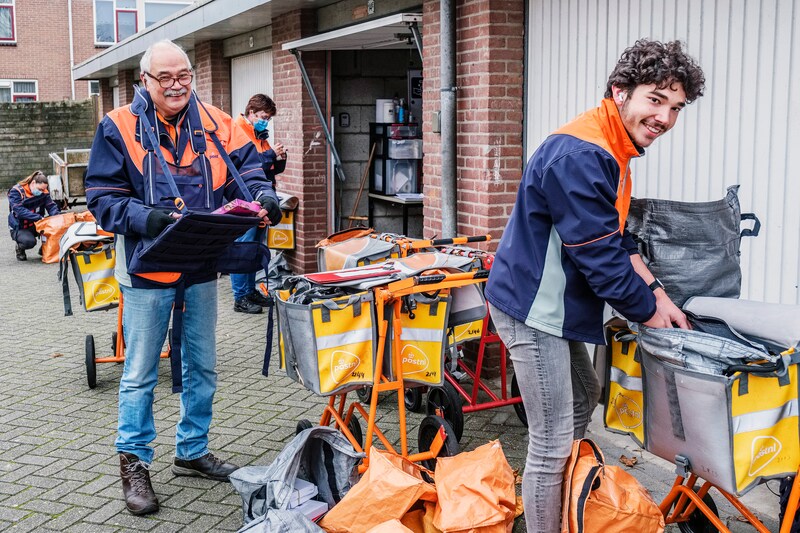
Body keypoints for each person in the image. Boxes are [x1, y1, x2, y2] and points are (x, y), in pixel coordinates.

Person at [484, 39, 705, 532]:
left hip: (553, 306)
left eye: (676, 107)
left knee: (584, 396)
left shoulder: (613, 146)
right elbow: (601, 261)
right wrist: (650, 318)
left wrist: (659, 295)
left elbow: (617, 236)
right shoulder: (582, 154)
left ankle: (567, 502)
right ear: (620, 91)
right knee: (551, 438)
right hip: (532, 309)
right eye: (656, 100)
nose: (665, 118)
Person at [84, 40, 281, 516]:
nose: (176, 86)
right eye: (165, 77)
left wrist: (264, 198)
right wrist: (146, 218)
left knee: (203, 365)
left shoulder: (217, 122)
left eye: (184, 76)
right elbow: (102, 196)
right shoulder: (117, 126)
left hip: (200, 261)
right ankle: (134, 464)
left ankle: (192, 450)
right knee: (139, 373)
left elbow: (248, 171)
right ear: (145, 80)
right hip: (146, 265)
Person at [229, 93, 288, 313]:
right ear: (251, 112)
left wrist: (279, 159)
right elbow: (245, 167)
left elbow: (266, 168)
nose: (266, 121)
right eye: (264, 117)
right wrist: (270, 154)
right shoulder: (237, 131)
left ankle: (250, 291)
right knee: (242, 247)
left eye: (269, 118)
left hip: (261, 200)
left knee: (254, 248)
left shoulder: (259, 135)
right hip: (245, 200)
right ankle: (240, 297)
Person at [7, 170, 61, 261]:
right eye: (40, 189)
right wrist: (39, 218)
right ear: (33, 183)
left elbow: (51, 206)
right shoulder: (16, 192)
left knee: (56, 227)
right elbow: (20, 211)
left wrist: (56, 218)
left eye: (44, 189)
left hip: (37, 224)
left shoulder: (44, 192)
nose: (42, 192)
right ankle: (20, 247)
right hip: (20, 226)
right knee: (29, 242)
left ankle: (45, 248)